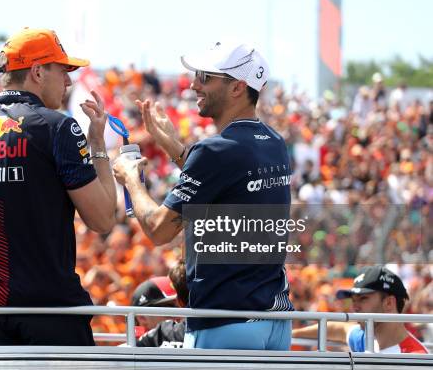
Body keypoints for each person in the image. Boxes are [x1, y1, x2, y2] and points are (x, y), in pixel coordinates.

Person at [0, 27, 117, 346]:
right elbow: (102, 219)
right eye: (63, 71)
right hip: (49, 310)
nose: (68, 82)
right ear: (37, 71)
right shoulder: (58, 127)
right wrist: (97, 146)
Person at [113, 41, 293, 350]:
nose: (194, 84)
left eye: (205, 77)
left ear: (237, 87)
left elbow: (159, 229)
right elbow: (224, 181)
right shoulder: (272, 141)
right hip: (274, 322)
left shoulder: (215, 150)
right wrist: (175, 147)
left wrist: (131, 180)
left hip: (227, 323)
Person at [292, 266, 429, 354]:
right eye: (353, 300)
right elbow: (337, 329)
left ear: (388, 303)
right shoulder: (366, 339)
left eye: (363, 299)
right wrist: (290, 335)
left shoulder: (416, 358)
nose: (355, 307)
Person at [136, 259, 188, 348]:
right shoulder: (130, 347)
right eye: (169, 307)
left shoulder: (189, 332)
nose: (178, 313)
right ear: (142, 317)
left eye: (180, 305)